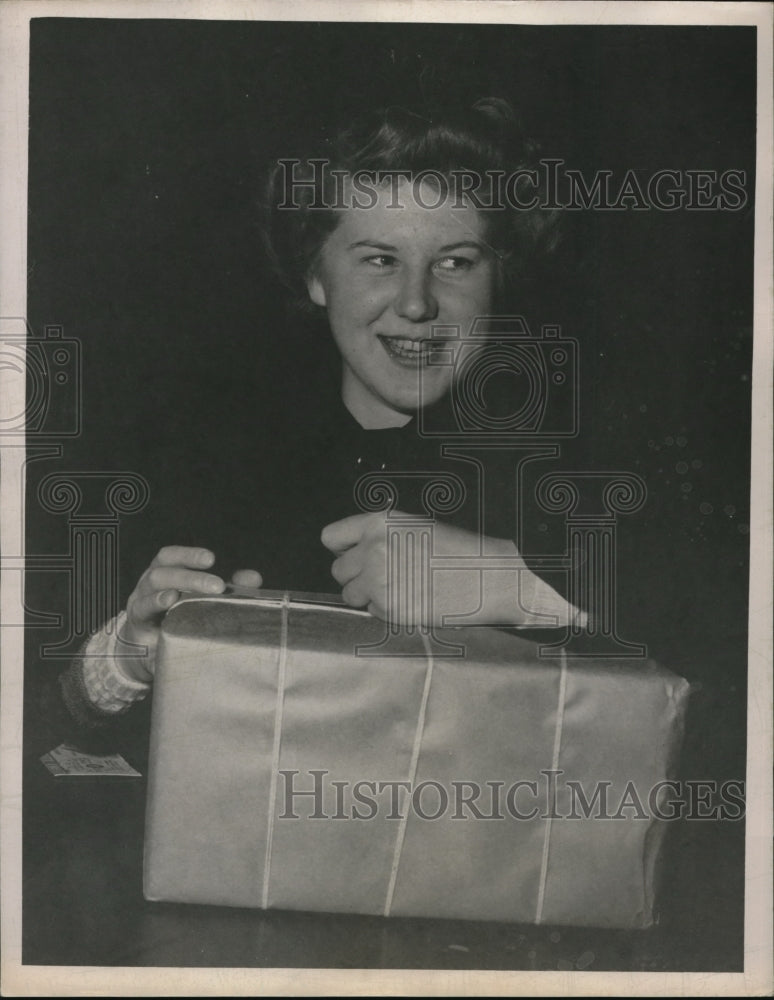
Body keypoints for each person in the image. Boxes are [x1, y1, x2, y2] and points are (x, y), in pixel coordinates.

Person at [55, 98, 585, 735]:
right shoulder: (212, 456)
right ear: (316, 277)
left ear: (498, 277)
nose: (417, 304)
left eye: (455, 262)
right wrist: (133, 650)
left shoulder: (576, 470)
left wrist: (520, 585)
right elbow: (48, 725)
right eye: (379, 260)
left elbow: (711, 662)